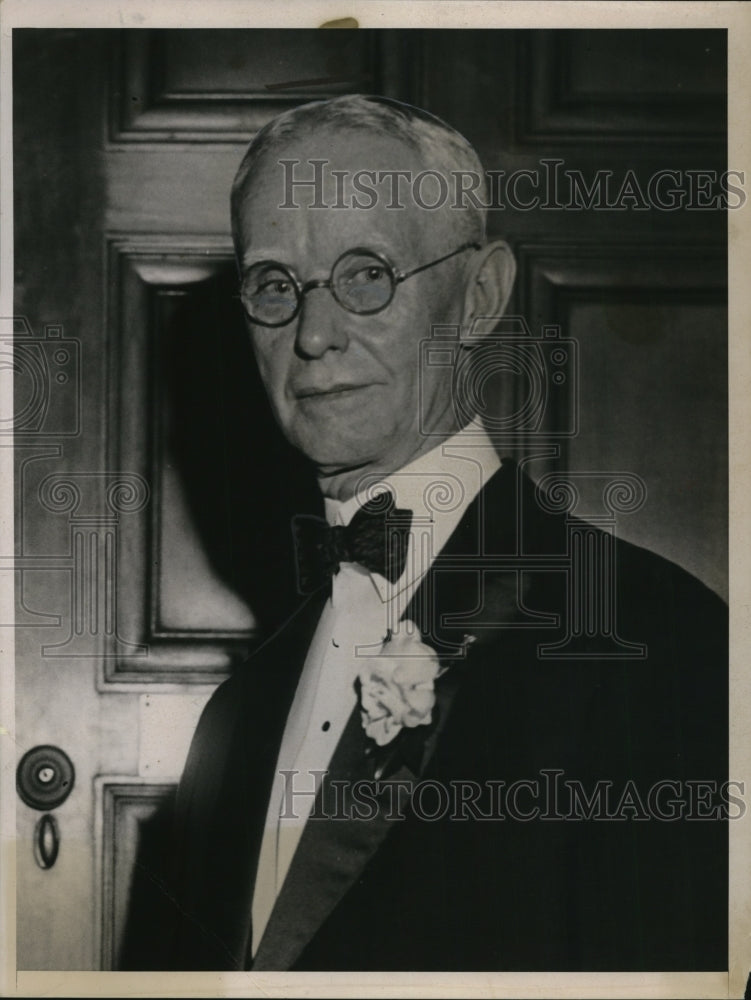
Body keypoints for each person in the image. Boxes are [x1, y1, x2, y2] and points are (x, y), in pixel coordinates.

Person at [141, 95, 727, 971]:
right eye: (274, 285)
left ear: (480, 295)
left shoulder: (652, 639)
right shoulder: (233, 720)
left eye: (365, 274)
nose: (312, 335)